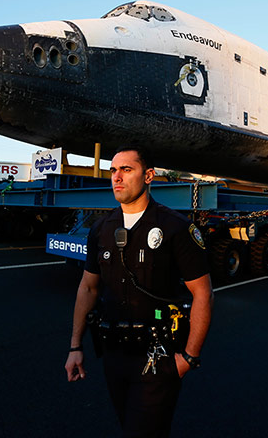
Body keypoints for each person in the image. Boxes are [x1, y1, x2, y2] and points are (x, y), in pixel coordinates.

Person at [64, 146, 213, 437]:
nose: (116, 177)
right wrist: (75, 346)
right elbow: (88, 287)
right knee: (128, 425)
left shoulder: (175, 227)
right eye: (113, 171)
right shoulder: (101, 229)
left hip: (157, 357)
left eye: (126, 170)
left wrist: (188, 358)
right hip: (114, 354)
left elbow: (203, 293)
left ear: (148, 176)